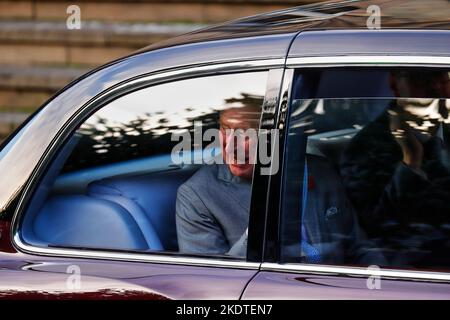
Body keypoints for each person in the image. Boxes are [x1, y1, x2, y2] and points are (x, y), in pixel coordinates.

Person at [176, 105, 385, 265]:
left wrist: (382, 280)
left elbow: (358, 244)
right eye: (225, 130)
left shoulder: (320, 172)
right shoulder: (198, 195)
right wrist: (261, 225)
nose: (231, 146)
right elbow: (211, 281)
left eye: (246, 133)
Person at [340, 69, 450, 267]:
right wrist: (411, 162)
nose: (436, 87)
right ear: (394, 83)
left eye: (443, 78)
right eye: (422, 78)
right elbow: (375, 230)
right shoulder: (365, 148)